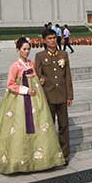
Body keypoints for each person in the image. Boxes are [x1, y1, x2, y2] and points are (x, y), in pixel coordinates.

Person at [0, 37, 65, 174]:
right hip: (19, 101)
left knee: (39, 127)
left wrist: (40, 80)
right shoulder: (14, 66)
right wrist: (26, 90)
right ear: (18, 50)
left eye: (28, 49)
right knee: (19, 127)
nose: (27, 52)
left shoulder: (32, 64)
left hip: (36, 99)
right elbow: (11, 84)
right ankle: (18, 161)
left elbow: (37, 77)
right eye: (24, 49)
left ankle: (39, 159)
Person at [34, 28, 74, 164]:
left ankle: (64, 155)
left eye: (54, 38)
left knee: (64, 126)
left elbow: (67, 76)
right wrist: (41, 79)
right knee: (49, 127)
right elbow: (37, 76)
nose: (52, 41)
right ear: (44, 41)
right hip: (48, 97)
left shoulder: (63, 54)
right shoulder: (40, 56)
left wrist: (70, 95)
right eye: (49, 38)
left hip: (62, 96)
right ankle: (50, 155)